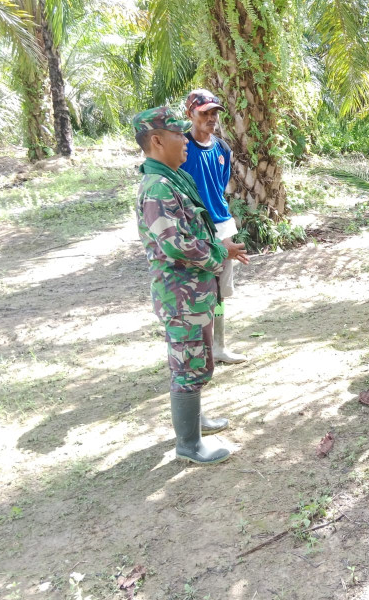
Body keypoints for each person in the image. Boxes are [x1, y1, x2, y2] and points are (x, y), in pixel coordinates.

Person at [133, 106, 249, 464]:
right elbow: (174, 243)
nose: (186, 141)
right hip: (181, 295)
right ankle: (188, 444)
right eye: (178, 135)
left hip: (193, 292)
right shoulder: (157, 187)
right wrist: (220, 251)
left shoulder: (172, 177)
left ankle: (196, 424)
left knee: (196, 359)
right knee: (187, 365)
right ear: (156, 140)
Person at [181, 89, 246, 364]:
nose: (210, 118)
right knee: (195, 292)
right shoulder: (180, 147)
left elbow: (220, 186)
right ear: (190, 114)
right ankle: (197, 351)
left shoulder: (222, 148)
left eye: (214, 113)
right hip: (194, 229)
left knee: (220, 291)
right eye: (204, 113)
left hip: (222, 225)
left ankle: (218, 347)